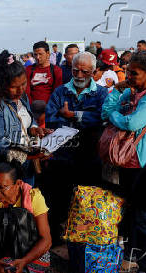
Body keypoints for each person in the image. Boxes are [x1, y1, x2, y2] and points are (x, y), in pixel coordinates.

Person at [101, 50, 146, 273]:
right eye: (127, 70)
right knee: (131, 213)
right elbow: (104, 112)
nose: (128, 76)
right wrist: (118, 91)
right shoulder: (131, 90)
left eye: (134, 73)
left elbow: (133, 123)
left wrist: (116, 116)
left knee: (143, 219)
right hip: (129, 161)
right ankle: (132, 257)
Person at [44, 52, 108, 246]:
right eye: (75, 70)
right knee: (57, 199)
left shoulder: (102, 93)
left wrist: (73, 115)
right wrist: (82, 120)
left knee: (88, 198)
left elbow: (103, 118)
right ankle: (54, 239)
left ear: (94, 72)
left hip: (90, 155)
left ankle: (86, 241)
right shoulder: (60, 91)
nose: (79, 75)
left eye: (85, 71)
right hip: (63, 155)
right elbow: (51, 119)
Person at [0, 50, 52, 186]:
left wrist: (35, 130)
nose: (20, 90)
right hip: (4, 174)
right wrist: (31, 155)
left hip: (26, 169)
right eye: (14, 87)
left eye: (23, 84)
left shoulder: (23, 98)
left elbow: (27, 123)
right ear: (2, 84)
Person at [0, 163, 51, 273]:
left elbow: (46, 240)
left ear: (17, 184)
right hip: (1, 251)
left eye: (3, 187)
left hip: (29, 252)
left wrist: (24, 261)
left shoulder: (34, 197)